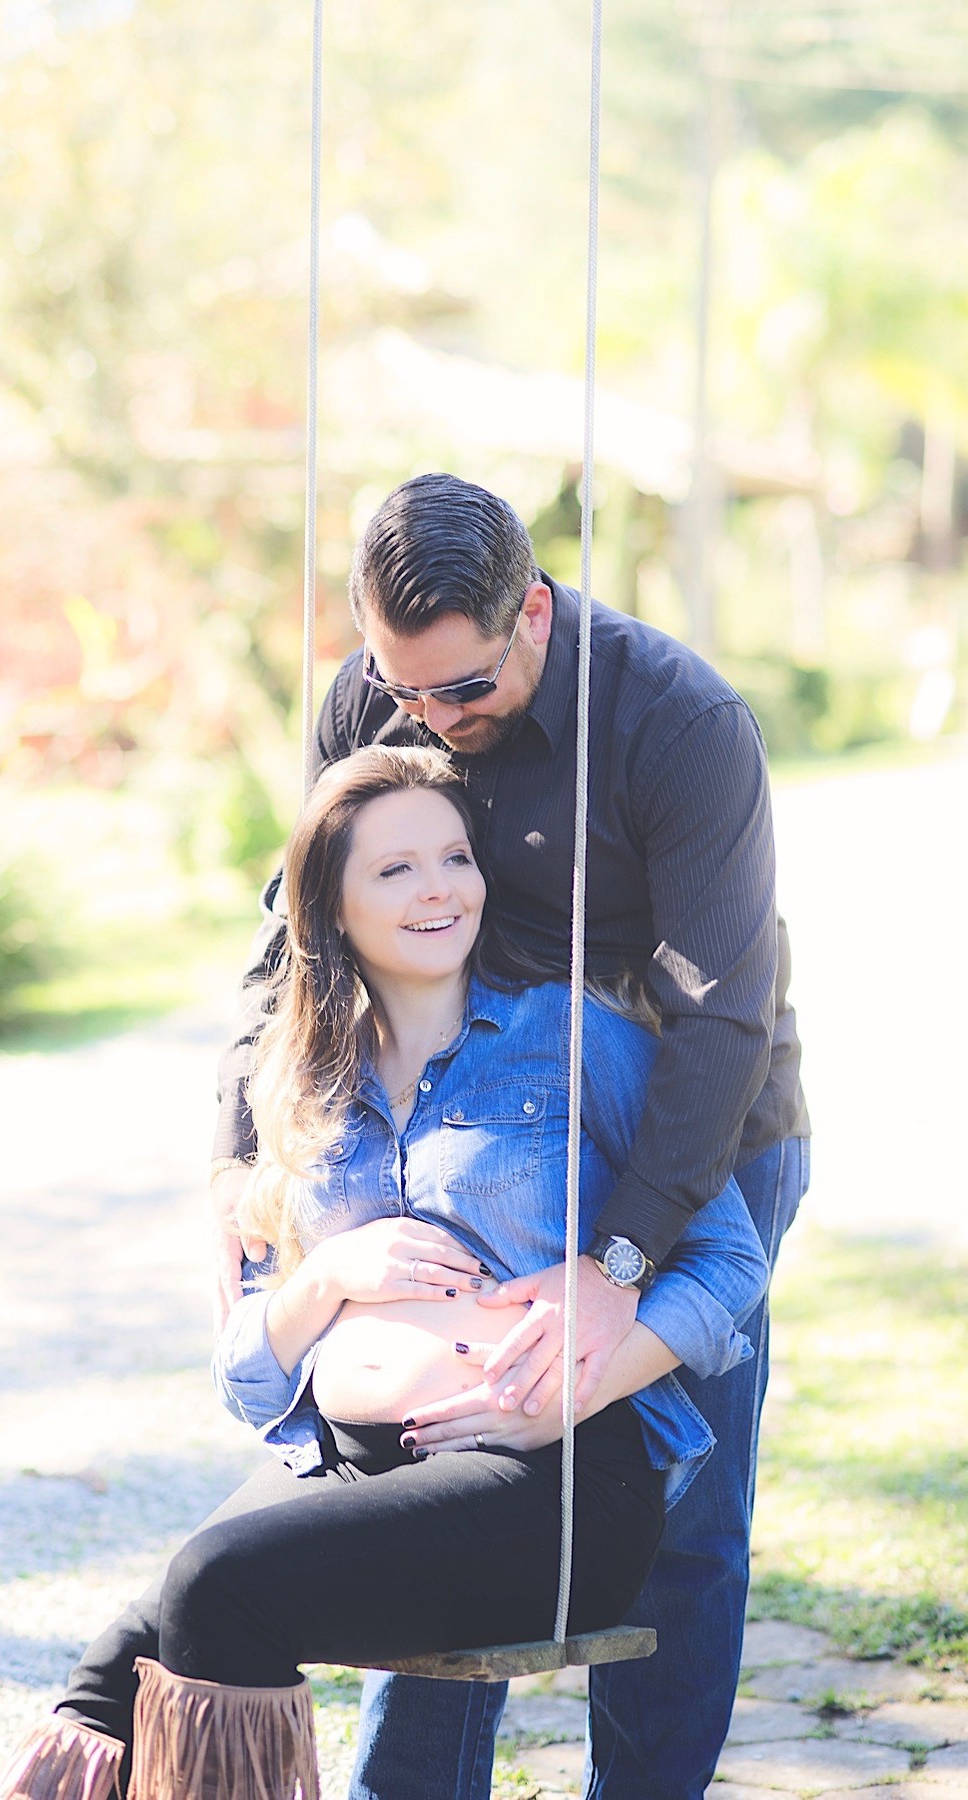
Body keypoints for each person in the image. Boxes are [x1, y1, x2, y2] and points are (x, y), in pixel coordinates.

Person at [0, 745, 768, 1800]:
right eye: (395, 870)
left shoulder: (575, 1038)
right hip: (349, 1460)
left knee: (219, 1586)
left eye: (454, 857)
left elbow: (729, 1261)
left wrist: (583, 1384)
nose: (439, 888)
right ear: (331, 910)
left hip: (554, 1482)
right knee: (114, 1666)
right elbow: (246, 1378)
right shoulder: (298, 1086)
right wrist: (328, 1279)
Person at [210, 475, 810, 1800]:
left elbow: (721, 1026)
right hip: (467, 1105)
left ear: (529, 611)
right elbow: (294, 942)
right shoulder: (379, 695)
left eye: (461, 692)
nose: (427, 720)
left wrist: (617, 1258)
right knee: (437, 1445)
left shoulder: (678, 723)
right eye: (399, 687)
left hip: (687, 1120)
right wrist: (241, 1174)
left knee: (679, 1512)